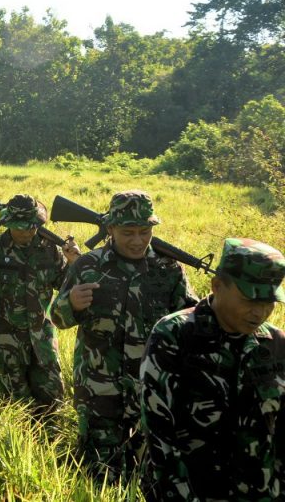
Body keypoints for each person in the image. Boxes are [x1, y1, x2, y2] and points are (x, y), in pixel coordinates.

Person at [50, 190, 198, 481]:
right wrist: (71, 305)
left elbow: (190, 321)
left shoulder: (168, 269)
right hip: (99, 390)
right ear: (111, 229)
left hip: (152, 389)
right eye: (128, 232)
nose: (137, 240)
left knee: (150, 471)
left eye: (145, 232)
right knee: (99, 471)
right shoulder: (88, 265)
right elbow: (57, 317)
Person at [140, 238, 285, 501]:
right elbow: (160, 434)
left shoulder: (277, 345)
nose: (260, 312)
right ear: (217, 285)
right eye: (249, 299)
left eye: (269, 301)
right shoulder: (175, 336)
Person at [0, 194, 80, 417]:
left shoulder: (51, 248)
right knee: (14, 401)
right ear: (7, 224)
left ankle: (50, 439)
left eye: (33, 227)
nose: (28, 232)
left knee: (53, 396)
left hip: (43, 336)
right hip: (7, 338)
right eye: (21, 228)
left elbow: (64, 286)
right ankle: (18, 442)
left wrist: (74, 264)